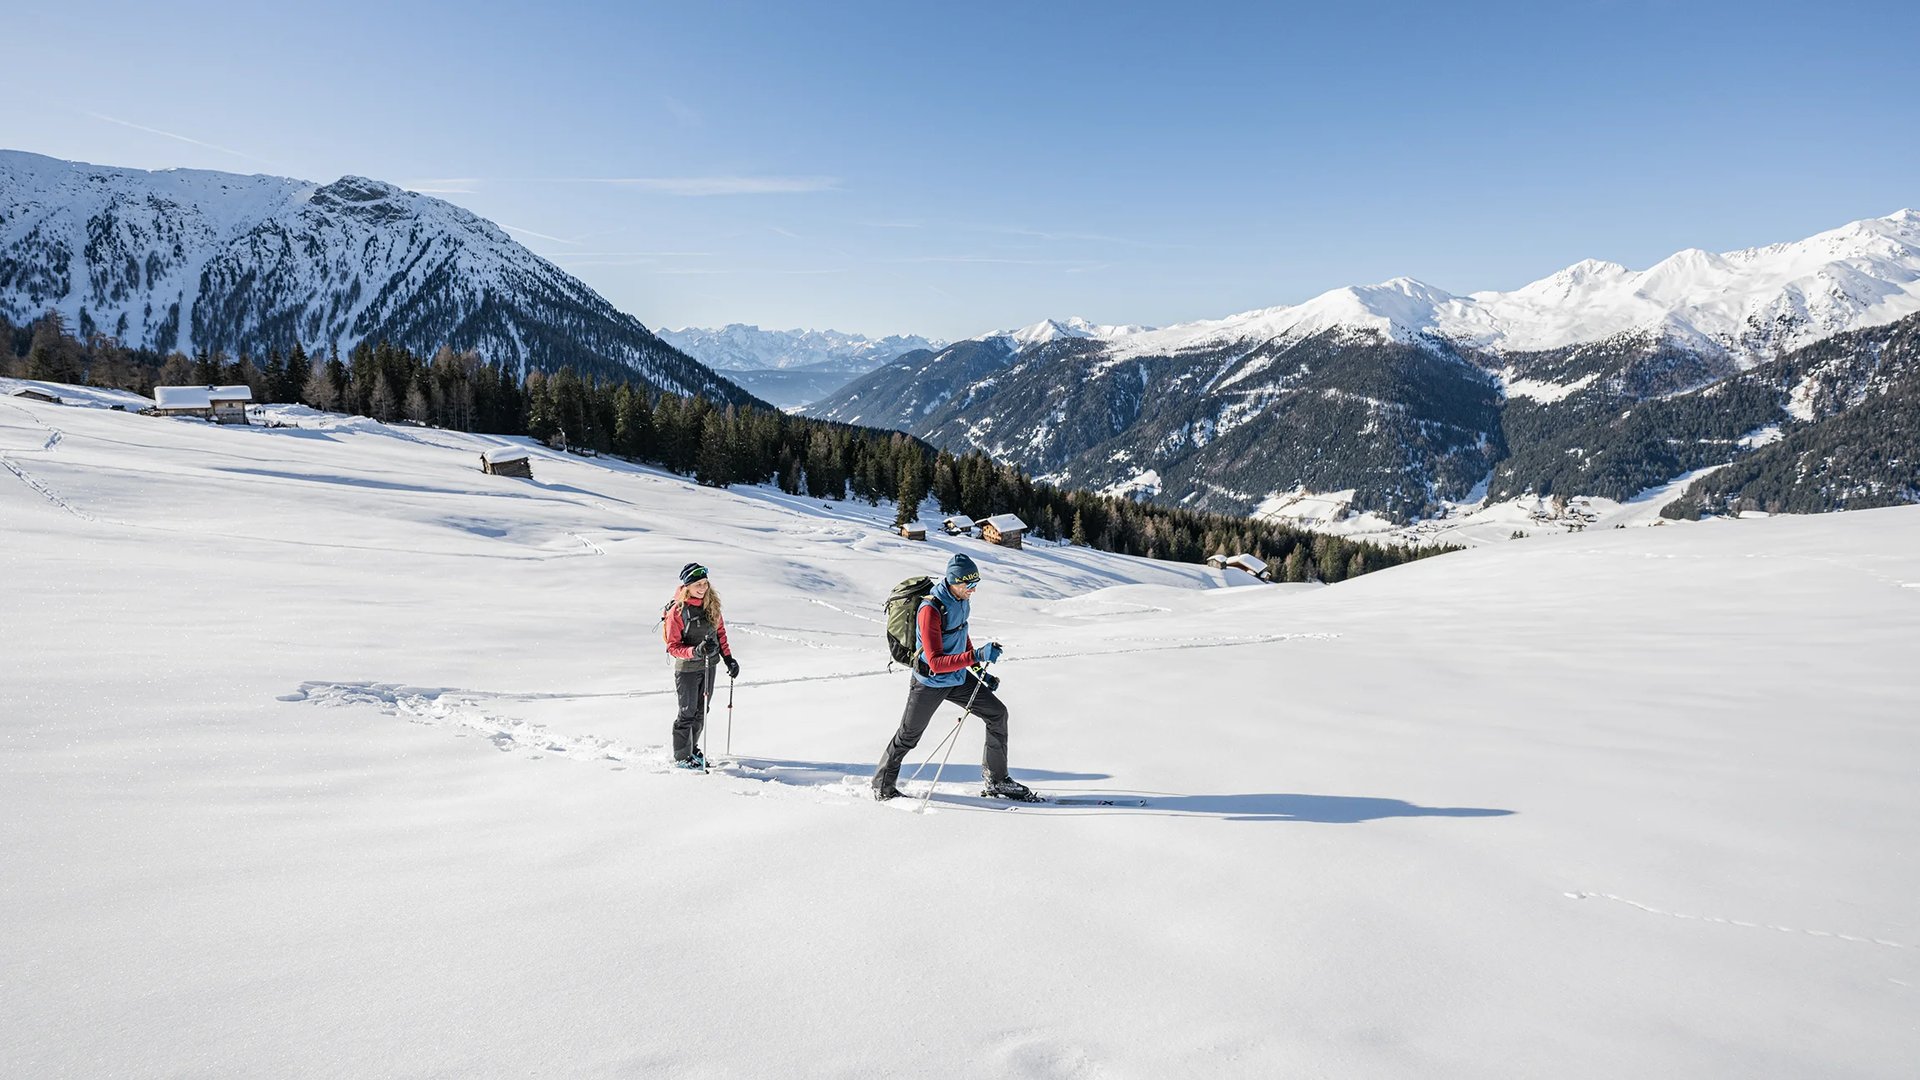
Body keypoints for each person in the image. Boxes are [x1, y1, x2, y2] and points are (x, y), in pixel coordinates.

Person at [872, 552, 1034, 801]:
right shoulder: (930, 609)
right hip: (930, 682)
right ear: (954, 581)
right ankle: (882, 786)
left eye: (975, 585)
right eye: (969, 585)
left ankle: (997, 780)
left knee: (997, 714)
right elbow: (935, 662)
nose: (973, 590)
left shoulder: (961, 600)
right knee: (908, 736)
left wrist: (979, 671)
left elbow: (961, 635)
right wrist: (977, 654)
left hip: (957, 677)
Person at [662, 562, 740, 768]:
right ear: (687, 585)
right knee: (686, 712)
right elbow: (672, 646)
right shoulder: (677, 611)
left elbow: (720, 634)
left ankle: (692, 748)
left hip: (709, 665)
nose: (703, 587)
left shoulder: (711, 605)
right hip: (687, 669)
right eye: (698, 584)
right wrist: (695, 651)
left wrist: (729, 659)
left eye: (705, 583)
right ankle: (681, 757)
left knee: (701, 710)